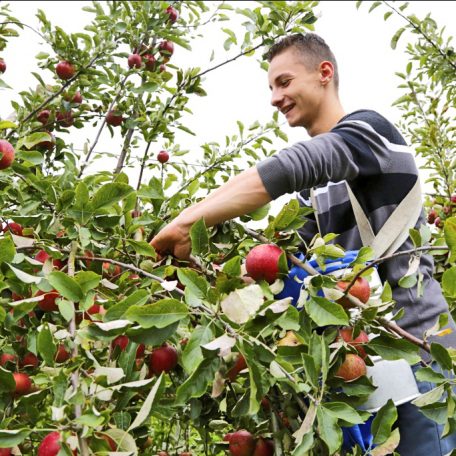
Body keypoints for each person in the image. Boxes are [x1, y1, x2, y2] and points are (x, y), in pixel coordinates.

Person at [151, 33, 456, 455]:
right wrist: (205, 274)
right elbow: (278, 267)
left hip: (417, 353)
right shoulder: (314, 195)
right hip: (358, 371)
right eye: (271, 88)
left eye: (284, 82)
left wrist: (187, 222)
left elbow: (293, 166)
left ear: (324, 73)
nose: (276, 98)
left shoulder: (372, 133)